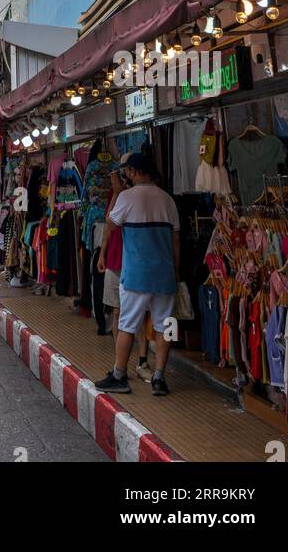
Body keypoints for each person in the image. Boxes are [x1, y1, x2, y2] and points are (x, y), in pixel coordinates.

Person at [96, 153, 181, 397]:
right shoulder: (167, 200)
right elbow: (176, 241)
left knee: (127, 326)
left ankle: (119, 375)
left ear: (133, 171)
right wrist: (175, 271)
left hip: (136, 276)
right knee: (166, 326)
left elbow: (110, 226)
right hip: (164, 275)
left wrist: (102, 255)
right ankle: (159, 378)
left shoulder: (126, 197)